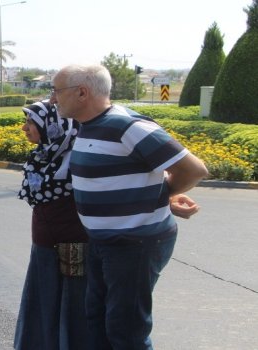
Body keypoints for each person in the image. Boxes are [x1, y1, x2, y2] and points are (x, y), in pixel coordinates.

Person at [49, 64, 209, 349]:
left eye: (56, 91)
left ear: (82, 93)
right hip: (103, 242)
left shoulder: (128, 127)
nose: (52, 99)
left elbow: (193, 170)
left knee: (127, 331)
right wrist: (162, 197)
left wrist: (163, 195)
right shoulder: (89, 125)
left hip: (134, 244)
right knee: (98, 321)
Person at [14, 101, 91, 350]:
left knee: (73, 312)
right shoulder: (42, 155)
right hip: (44, 249)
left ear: (52, 126)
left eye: (31, 123)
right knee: (43, 307)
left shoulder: (78, 158)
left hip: (73, 252)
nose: (25, 128)